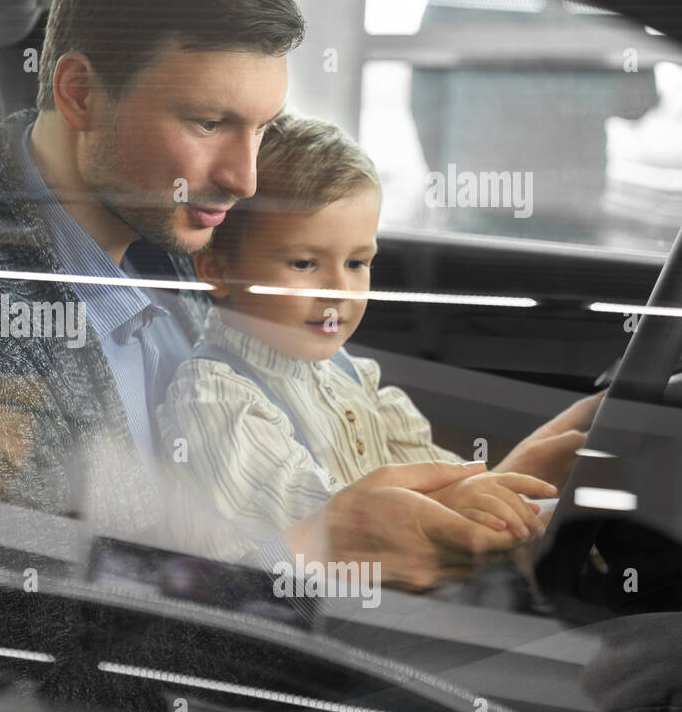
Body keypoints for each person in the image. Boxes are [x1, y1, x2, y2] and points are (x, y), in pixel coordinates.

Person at [0, 0, 590, 596]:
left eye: (263, 127)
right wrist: (311, 552)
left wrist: (492, 497)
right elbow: (38, 681)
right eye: (209, 122)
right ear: (80, 94)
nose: (245, 177)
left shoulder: (169, 233)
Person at [159, 113, 600, 570]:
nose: (339, 290)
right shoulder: (214, 399)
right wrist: (480, 495)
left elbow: (435, 472)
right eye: (305, 264)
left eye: (357, 263)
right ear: (215, 269)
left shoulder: (348, 373)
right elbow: (325, 519)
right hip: (303, 621)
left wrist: (511, 495)